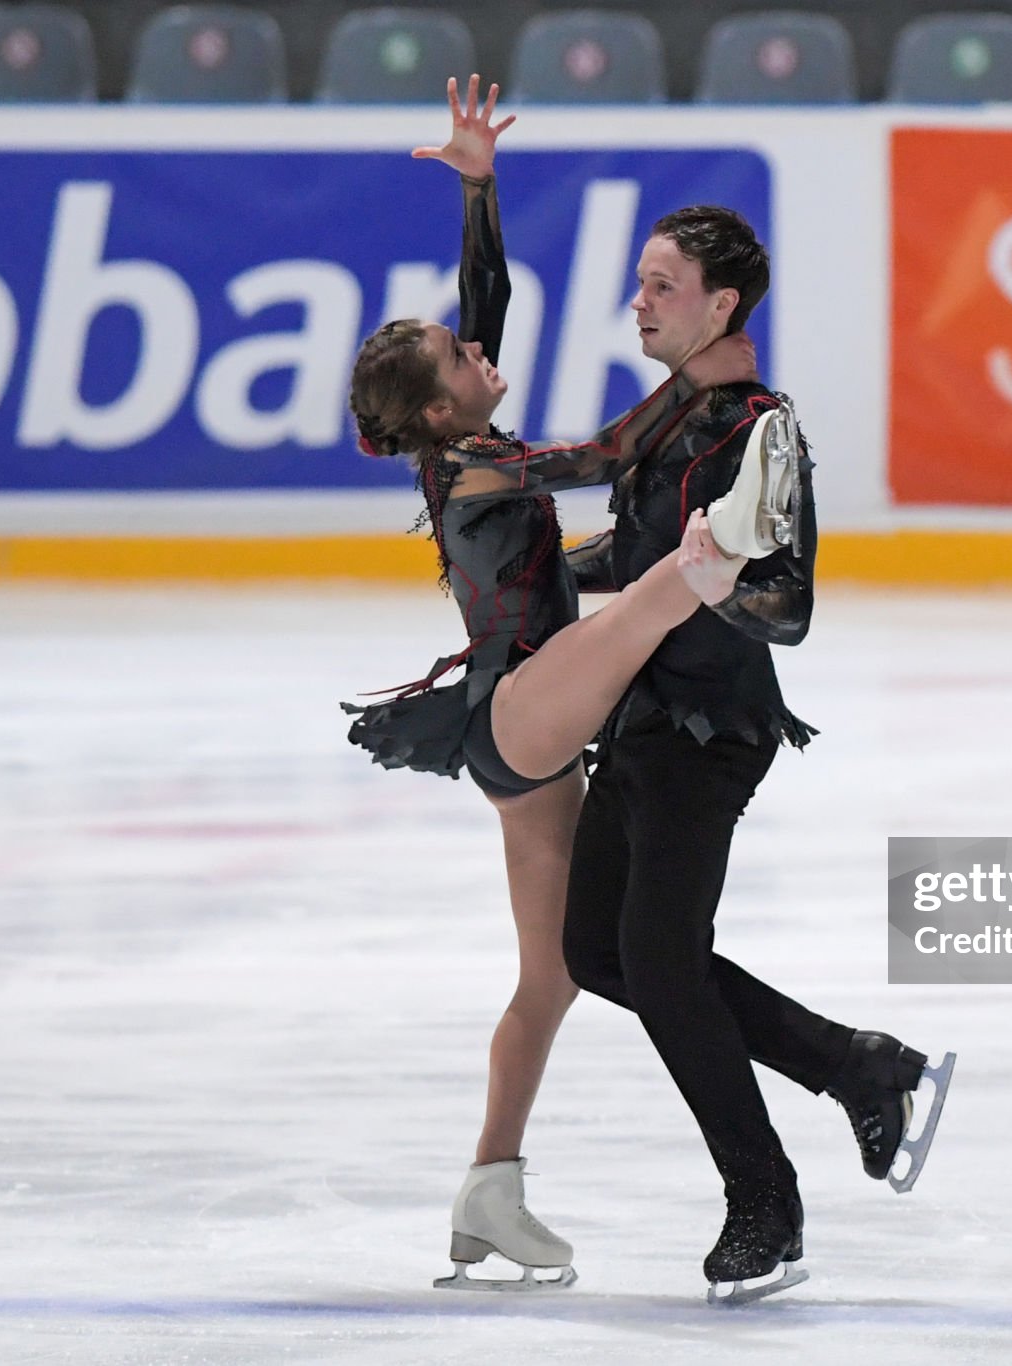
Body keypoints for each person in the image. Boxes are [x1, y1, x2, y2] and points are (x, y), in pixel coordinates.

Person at [341, 76, 767, 1291]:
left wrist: (479, 190)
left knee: (558, 973)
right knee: (653, 591)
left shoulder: (462, 438)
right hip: (517, 709)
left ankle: (491, 1187)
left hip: (525, 739)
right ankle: (715, 555)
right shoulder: (478, 469)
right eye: (460, 358)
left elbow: (488, 304)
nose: (482, 352)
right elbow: (607, 452)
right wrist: (708, 385)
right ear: (441, 407)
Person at [558, 205, 956, 1304]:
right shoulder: (667, 418)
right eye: (641, 281)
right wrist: (536, 568)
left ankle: (763, 1204)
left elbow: (789, 607)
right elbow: (639, 548)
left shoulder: (758, 432)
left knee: (661, 961)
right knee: (598, 952)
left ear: (720, 303)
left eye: (662, 285)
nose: (639, 302)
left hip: (710, 732)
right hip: (638, 720)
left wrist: (722, 588)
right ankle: (854, 1064)